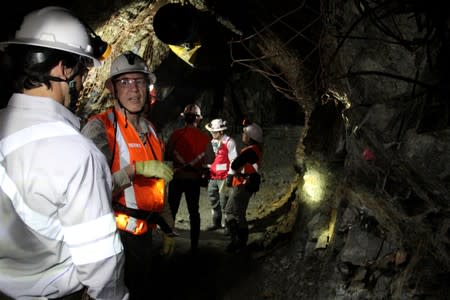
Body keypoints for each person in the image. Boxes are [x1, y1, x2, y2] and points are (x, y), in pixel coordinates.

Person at [0, 6, 128, 300]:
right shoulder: (76, 152)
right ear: (63, 69)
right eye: (81, 70)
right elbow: (102, 264)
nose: (82, 83)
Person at [81, 51, 175, 299]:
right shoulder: (100, 128)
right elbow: (88, 194)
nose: (134, 90)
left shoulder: (152, 131)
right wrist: (134, 171)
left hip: (146, 235)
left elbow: (160, 187)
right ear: (113, 88)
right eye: (124, 82)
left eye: (139, 82)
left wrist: (168, 228)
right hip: (114, 239)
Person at [165, 104, 213, 252]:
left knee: (171, 211)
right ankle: (194, 246)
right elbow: (209, 161)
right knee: (194, 212)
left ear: (184, 118)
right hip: (193, 180)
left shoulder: (175, 135)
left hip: (177, 178)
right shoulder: (205, 139)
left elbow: (167, 156)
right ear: (198, 119)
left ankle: (167, 244)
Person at [225, 121, 263, 253]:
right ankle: (235, 240)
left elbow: (235, 164)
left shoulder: (250, 151)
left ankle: (240, 243)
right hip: (242, 185)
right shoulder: (254, 150)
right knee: (230, 211)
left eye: (244, 133)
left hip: (243, 186)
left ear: (250, 136)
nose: (243, 135)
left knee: (238, 214)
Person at [204, 118, 238, 232]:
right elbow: (213, 159)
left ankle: (228, 225)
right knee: (213, 200)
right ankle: (216, 223)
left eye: (215, 132)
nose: (213, 134)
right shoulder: (212, 142)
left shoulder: (229, 142)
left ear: (221, 131)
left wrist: (231, 175)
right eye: (212, 132)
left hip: (224, 177)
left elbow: (234, 160)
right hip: (213, 176)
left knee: (225, 202)